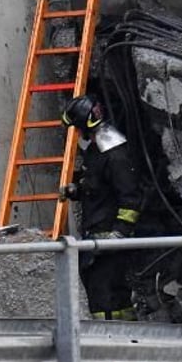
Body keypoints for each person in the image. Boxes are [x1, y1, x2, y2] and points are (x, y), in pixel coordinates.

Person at [61, 94, 143, 321]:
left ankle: (118, 345)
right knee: (97, 293)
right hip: (95, 239)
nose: (76, 133)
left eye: (77, 128)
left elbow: (131, 199)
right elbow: (97, 189)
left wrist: (119, 233)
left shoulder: (116, 155)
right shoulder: (96, 152)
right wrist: (75, 190)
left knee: (109, 296)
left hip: (109, 240)